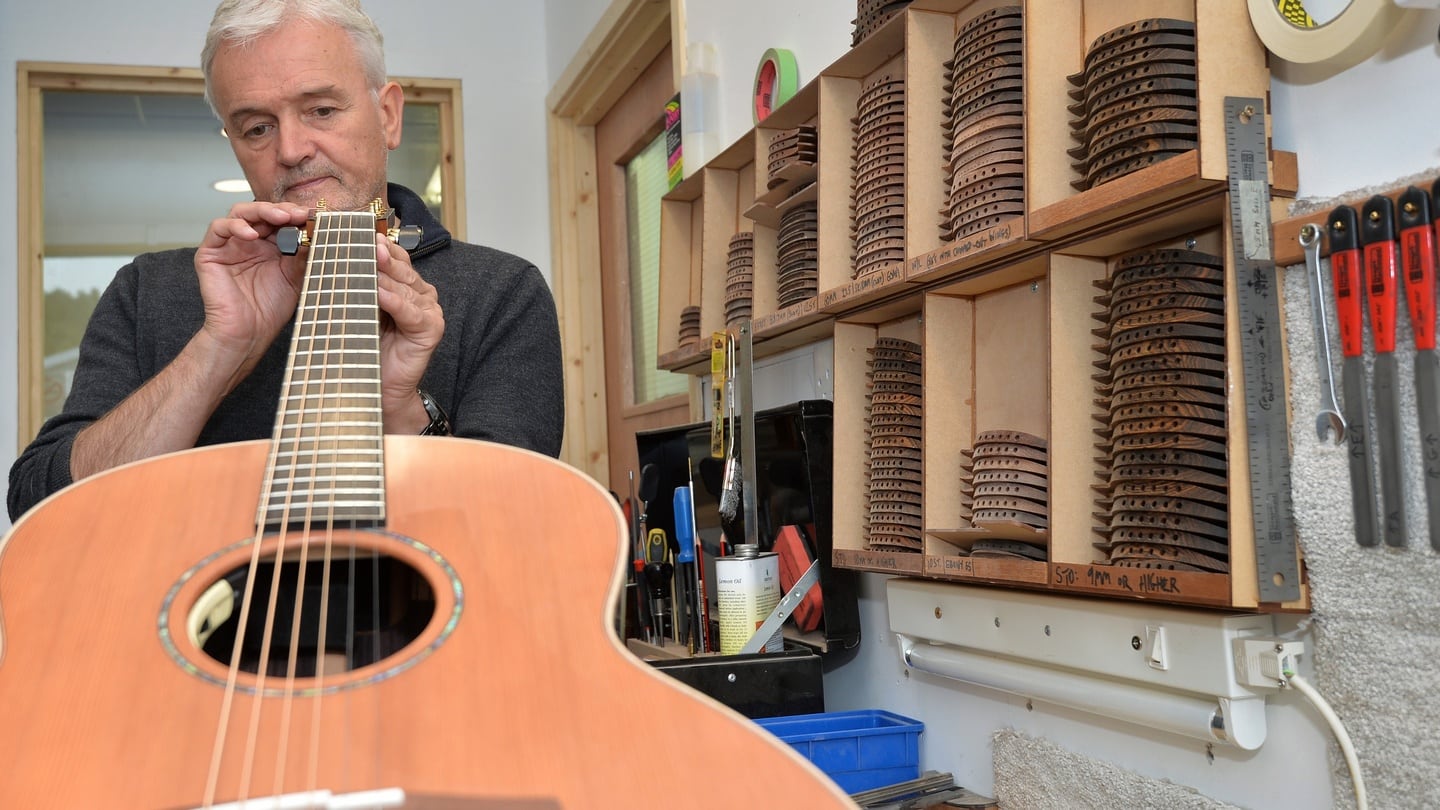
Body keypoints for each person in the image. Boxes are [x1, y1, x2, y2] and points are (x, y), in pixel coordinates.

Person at [7, 0, 564, 520]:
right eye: (257, 127)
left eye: (321, 109)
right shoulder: (147, 289)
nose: (292, 149)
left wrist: (400, 409)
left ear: (388, 115)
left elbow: (514, 525)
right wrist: (219, 348)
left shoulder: (501, 290)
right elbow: (39, 508)